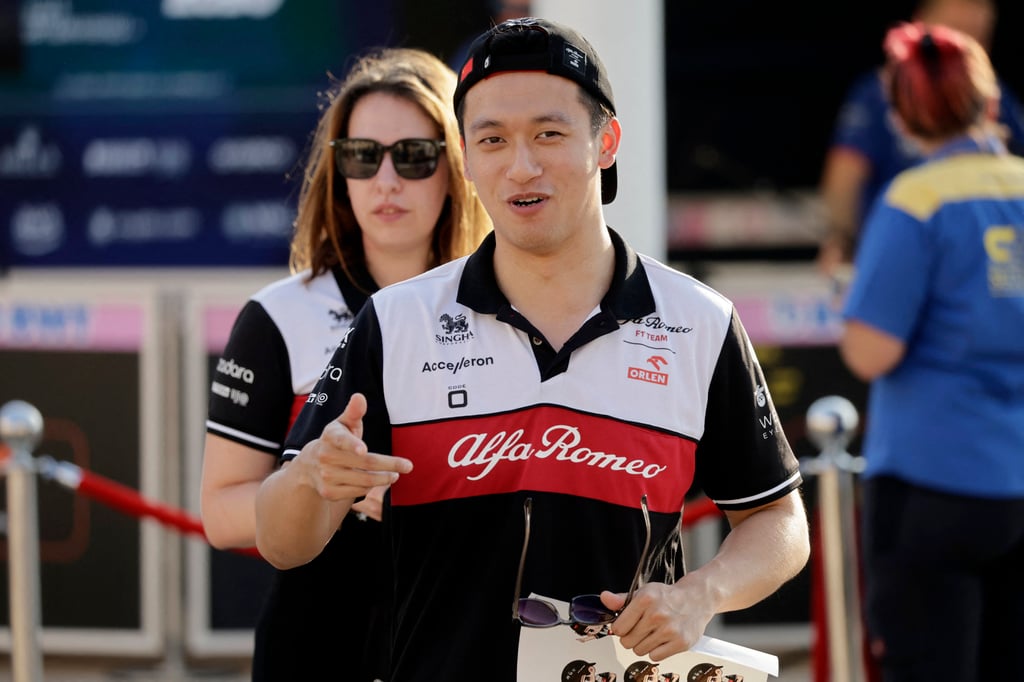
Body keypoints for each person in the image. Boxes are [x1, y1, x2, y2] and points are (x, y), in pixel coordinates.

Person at [255, 17, 810, 680]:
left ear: (606, 142)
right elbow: (281, 542)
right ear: (466, 156)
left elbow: (780, 521)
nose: (521, 166)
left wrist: (702, 594)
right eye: (492, 140)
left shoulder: (699, 323)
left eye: (549, 134)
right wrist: (312, 479)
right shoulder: (394, 322)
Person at [199, 47, 491, 681]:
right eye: (362, 156)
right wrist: (321, 484)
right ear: (339, 173)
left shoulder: (508, 310)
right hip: (318, 642)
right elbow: (220, 513)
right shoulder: (277, 315)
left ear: (457, 167)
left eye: (413, 157)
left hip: (465, 637)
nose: (386, 181)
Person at [839, 21, 1024, 681]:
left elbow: (869, 353)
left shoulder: (916, 199)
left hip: (934, 478)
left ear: (899, 113)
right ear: (989, 98)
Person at [816, 0, 1024, 279]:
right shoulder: (908, 203)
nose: (961, 49)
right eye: (950, 36)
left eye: (975, 39)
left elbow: (865, 324)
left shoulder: (907, 201)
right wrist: (844, 240)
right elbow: (844, 178)